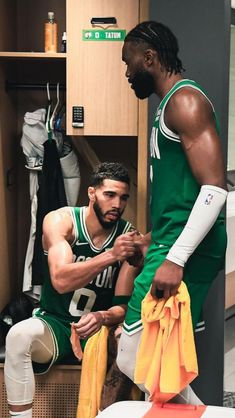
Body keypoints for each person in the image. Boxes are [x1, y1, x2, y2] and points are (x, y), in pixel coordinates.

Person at [116, 20, 228, 403]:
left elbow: (215, 190)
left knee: (135, 356)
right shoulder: (167, 105)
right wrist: (150, 239)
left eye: (128, 62)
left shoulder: (185, 101)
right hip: (171, 240)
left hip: (186, 248)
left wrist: (175, 257)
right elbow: (182, 192)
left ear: (149, 58)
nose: (127, 73)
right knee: (154, 360)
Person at [4, 161, 138, 418]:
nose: (117, 204)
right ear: (91, 193)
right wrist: (111, 255)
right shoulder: (62, 222)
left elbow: (124, 306)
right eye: (109, 195)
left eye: (123, 198)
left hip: (99, 330)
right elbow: (60, 279)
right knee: (18, 336)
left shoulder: (127, 236)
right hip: (57, 323)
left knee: (131, 341)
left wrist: (102, 317)